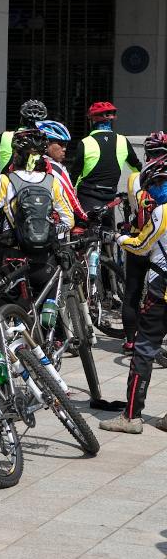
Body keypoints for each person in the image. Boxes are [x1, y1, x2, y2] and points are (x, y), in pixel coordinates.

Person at [101, 157, 167, 433]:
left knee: (144, 349)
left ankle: (131, 417)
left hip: (160, 289)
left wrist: (118, 238)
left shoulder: (162, 212)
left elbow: (141, 245)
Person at [0, 126, 75, 296]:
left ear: (17, 154)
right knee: (45, 312)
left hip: (13, 256)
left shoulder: (4, 180)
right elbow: (68, 221)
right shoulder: (52, 181)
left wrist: (2, 231)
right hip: (45, 259)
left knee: (4, 309)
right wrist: (49, 231)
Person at [122, 133, 167, 353]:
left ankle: (131, 340)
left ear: (147, 153)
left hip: (139, 238)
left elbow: (133, 206)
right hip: (162, 240)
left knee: (132, 288)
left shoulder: (135, 178)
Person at [72, 101, 141, 215]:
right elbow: (137, 168)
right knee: (108, 231)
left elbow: (74, 176)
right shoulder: (123, 141)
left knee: (81, 231)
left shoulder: (85, 143)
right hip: (110, 199)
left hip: (86, 198)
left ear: (92, 121)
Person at [0, 99, 48, 171]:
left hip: (6, 180)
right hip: (37, 181)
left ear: (21, 119)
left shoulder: (5, 136)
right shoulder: (44, 140)